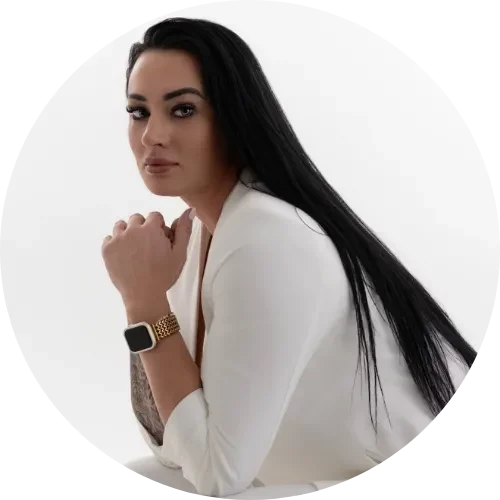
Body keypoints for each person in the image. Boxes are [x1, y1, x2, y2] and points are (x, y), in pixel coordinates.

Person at [121, 17, 476, 498]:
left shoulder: (267, 235)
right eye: (138, 111)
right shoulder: (197, 235)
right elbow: (171, 446)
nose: (152, 135)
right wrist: (146, 296)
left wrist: (144, 302)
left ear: (234, 119)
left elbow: (216, 474)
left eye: (183, 110)